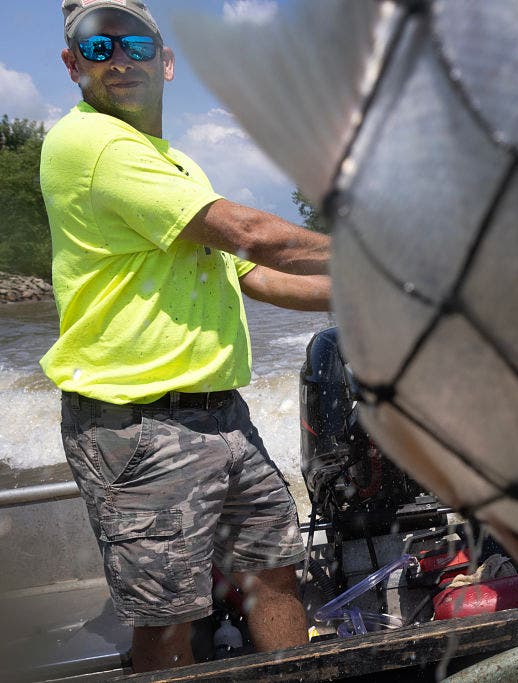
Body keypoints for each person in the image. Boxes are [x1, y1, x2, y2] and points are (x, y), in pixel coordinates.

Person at [40, 0, 330, 672]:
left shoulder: (176, 166)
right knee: (168, 618)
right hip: (138, 429)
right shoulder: (90, 144)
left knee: (275, 571)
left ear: (165, 62)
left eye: (136, 44)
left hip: (223, 416)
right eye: (97, 45)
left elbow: (250, 275)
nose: (119, 59)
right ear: (72, 64)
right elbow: (252, 235)